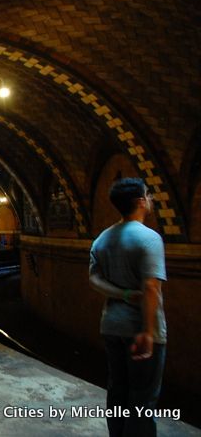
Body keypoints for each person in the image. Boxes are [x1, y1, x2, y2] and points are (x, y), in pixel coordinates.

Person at [89, 177, 167, 437]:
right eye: (149, 194)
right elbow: (151, 288)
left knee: (118, 391)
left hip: (111, 325)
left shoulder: (102, 239)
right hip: (140, 329)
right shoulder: (149, 239)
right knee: (142, 400)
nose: (151, 199)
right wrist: (148, 331)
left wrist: (121, 294)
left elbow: (94, 279)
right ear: (140, 201)